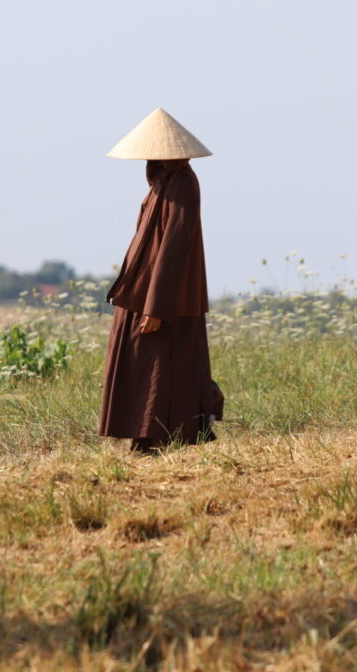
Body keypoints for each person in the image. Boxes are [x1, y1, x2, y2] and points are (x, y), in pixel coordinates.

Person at [99, 108, 224, 454]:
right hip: (143, 290)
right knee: (142, 363)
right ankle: (145, 438)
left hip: (165, 297)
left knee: (161, 365)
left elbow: (175, 246)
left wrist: (157, 306)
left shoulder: (183, 183)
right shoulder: (161, 183)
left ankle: (157, 439)